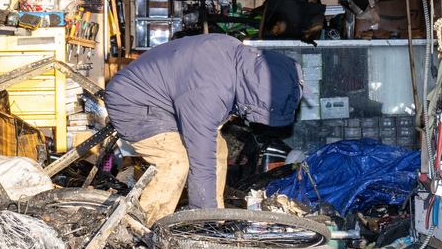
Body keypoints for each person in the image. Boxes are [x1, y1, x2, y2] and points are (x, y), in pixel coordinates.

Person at [104, 33, 302, 220]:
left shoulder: (239, 60)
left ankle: (214, 220)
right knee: (176, 162)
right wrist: (201, 211)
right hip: (132, 103)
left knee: (219, 149)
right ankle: (143, 232)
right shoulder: (209, 93)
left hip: (165, 100)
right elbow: (201, 158)